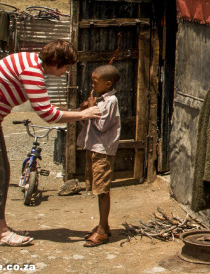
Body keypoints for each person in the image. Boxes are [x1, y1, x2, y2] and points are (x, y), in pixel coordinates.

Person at [0, 39, 101, 247]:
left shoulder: (32, 62)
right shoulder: (32, 72)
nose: (67, 71)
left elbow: (44, 106)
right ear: (56, 62)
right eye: (67, 66)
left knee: (1, 172)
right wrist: (83, 114)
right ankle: (0, 234)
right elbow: (47, 114)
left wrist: (78, 113)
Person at [77, 64, 121, 247]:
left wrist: (91, 109)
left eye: (95, 82)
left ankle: (102, 231)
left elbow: (102, 126)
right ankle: (104, 225)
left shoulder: (111, 102)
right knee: (97, 189)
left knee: (102, 190)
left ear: (108, 83)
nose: (92, 85)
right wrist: (85, 110)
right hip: (94, 148)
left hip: (103, 151)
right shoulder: (100, 99)